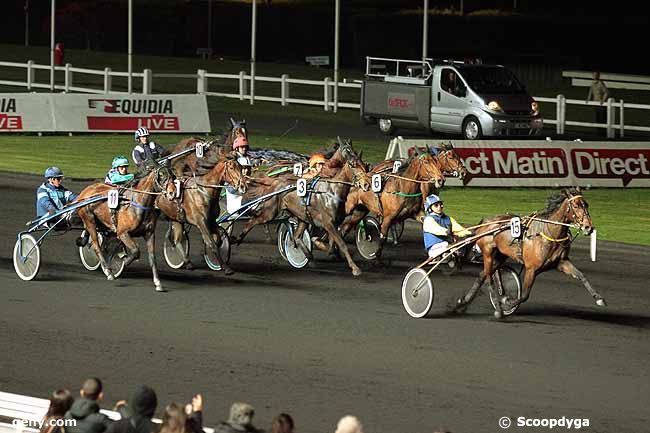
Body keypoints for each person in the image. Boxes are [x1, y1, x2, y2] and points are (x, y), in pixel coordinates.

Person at [422, 194, 471, 259]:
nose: (439, 207)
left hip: (448, 245)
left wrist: (468, 234)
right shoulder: (428, 220)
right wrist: (448, 232)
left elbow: (458, 229)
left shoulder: (448, 218)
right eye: (436, 205)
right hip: (434, 248)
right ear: (429, 208)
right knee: (452, 246)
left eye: (440, 204)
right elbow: (437, 230)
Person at [225, 136, 253, 214]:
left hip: (246, 205)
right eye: (242, 147)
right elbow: (231, 190)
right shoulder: (232, 164)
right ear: (237, 148)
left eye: (245, 147)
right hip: (235, 206)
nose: (244, 149)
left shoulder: (247, 159)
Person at [586, 71, 609, 136]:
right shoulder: (592, 83)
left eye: (596, 75)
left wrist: (603, 100)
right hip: (595, 103)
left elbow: (606, 92)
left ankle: (603, 132)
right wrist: (588, 98)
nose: (595, 76)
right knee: (597, 117)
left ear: (598, 76)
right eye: (594, 75)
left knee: (602, 118)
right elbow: (591, 91)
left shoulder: (601, 83)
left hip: (601, 104)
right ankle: (598, 131)